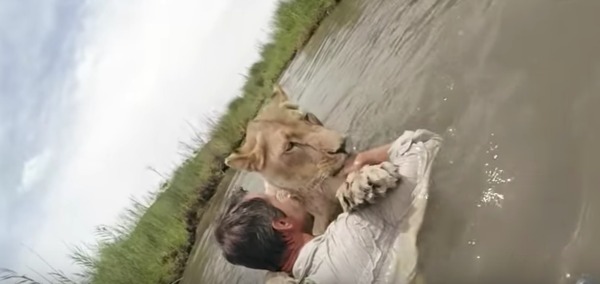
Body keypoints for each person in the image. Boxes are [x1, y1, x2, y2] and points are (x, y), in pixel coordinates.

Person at [214, 129, 442, 283]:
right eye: (273, 197)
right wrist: (363, 159)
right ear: (282, 223)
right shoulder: (360, 224)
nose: (277, 192)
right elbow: (424, 144)